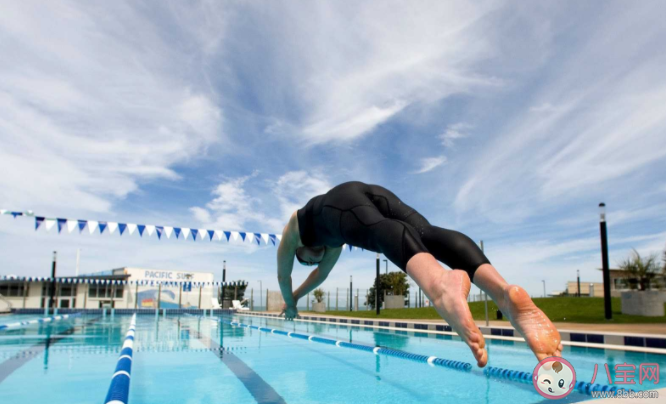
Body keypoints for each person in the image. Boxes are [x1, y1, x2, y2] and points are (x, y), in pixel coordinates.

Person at [277, 181, 562, 367]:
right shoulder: (332, 245)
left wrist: (289, 303)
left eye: (305, 262)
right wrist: (296, 299)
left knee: (378, 231)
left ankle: (440, 284)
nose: (312, 262)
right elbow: (319, 277)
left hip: (340, 202)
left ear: (298, 251)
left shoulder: (292, 233)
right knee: (426, 234)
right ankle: (503, 292)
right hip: (367, 190)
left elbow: (283, 277)